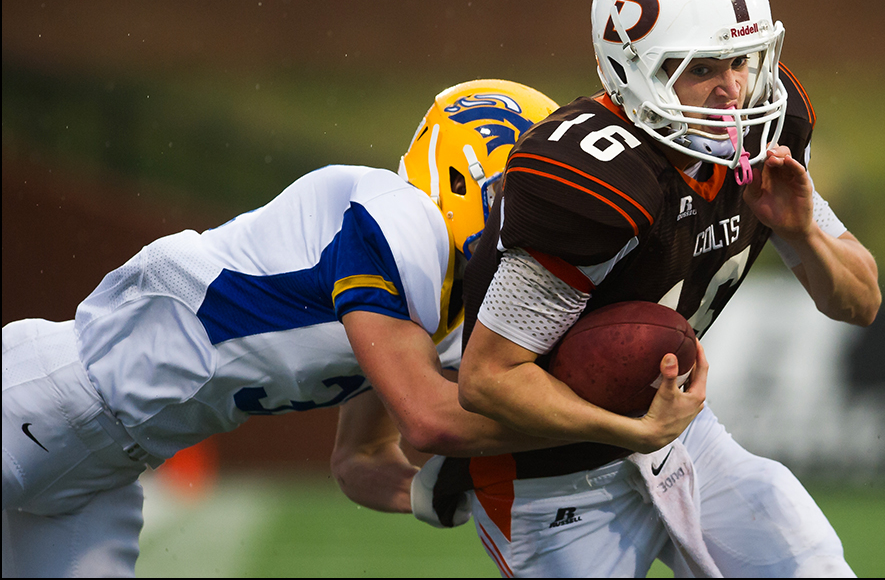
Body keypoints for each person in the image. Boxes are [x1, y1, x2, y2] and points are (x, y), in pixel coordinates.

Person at [2, 78, 707, 578]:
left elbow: (362, 460)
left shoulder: (449, 308)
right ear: (479, 174)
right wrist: (615, 423)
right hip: (38, 396)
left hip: (101, 475)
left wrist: (438, 490)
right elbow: (429, 421)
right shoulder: (391, 218)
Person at [419, 0, 881, 578]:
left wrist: (802, 234)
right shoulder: (595, 178)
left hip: (680, 439)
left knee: (811, 563)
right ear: (634, 69)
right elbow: (489, 377)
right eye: (702, 69)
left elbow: (859, 302)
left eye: (742, 61)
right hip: (550, 478)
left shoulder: (765, 134)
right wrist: (633, 430)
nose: (733, 90)